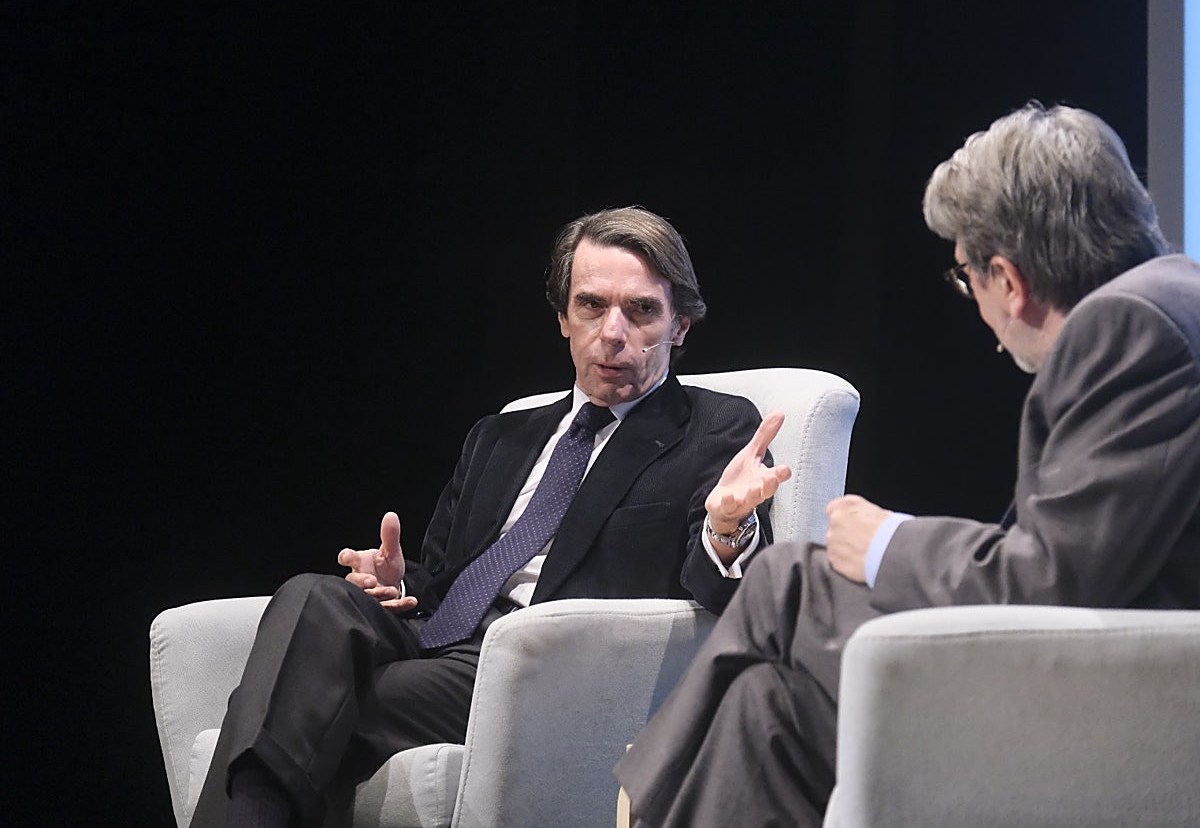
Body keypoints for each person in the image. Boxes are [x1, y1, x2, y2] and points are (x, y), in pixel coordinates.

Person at [615, 103, 1200, 828]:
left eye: (966, 280)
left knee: (787, 577)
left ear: (1009, 279)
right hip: (1113, 662)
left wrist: (889, 541)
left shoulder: (1132, 325)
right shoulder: (1171, 301)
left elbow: (1056, 576)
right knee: (764, 708)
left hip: (1120, 705)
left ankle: (640, 796)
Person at [189, 206, 791, 828]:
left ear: (679, 327)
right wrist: (399, 585)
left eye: (641, 310)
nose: (613, 332)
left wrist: (726, 525)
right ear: (562, 318)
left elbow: (726, 590)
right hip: (443, 640)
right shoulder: (500, 437)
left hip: (543, 665)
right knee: (312, 595)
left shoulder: (716, 428)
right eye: (590, 306)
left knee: (295, 700)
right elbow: (447, 579)